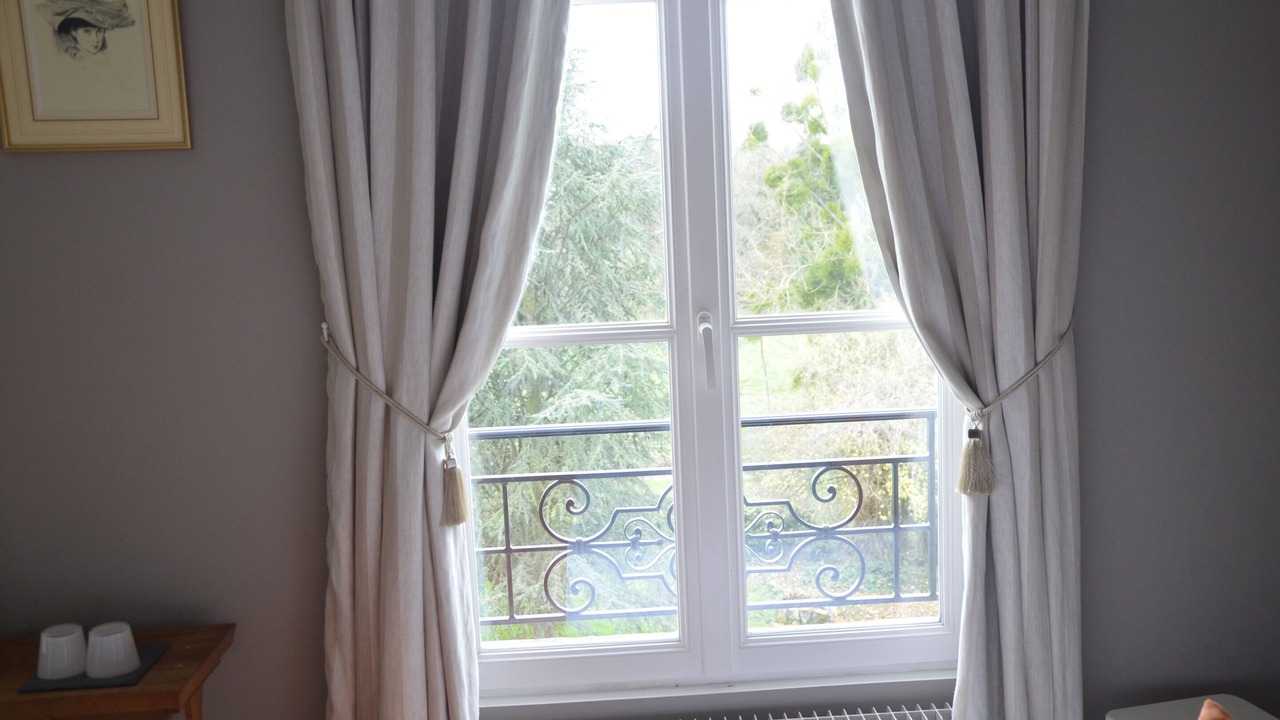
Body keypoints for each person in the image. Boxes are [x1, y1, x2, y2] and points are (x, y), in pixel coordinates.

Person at [36, 0, 135, 60]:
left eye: (99, 32)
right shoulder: (66, 61)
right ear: (74, 32)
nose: (96, 39)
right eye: (87, 32)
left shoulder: (107, 60)